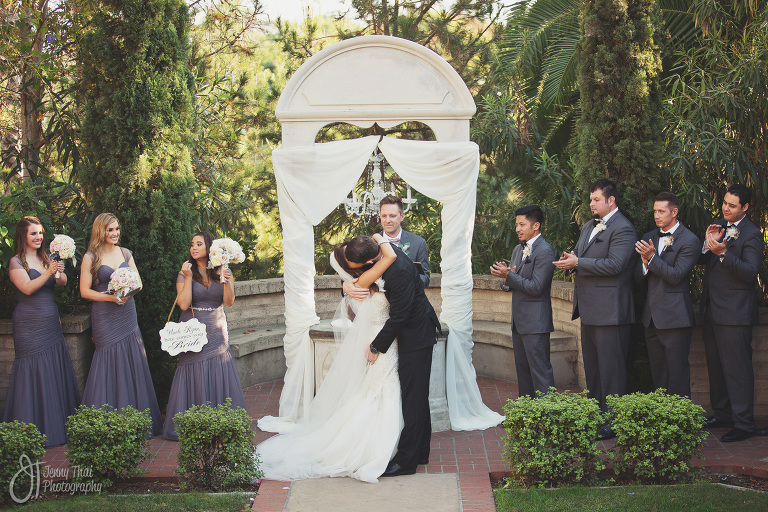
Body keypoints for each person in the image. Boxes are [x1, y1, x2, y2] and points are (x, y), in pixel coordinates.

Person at [257, 233, 398, 482]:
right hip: (381, 341)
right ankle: (372, 448)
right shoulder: (365, 280)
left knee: (377, 390)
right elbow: (391, 256)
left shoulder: (361, 281)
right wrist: (380, 238)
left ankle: (379, 442)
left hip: (385, 338)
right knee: (381, 390)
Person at [346, 234, 441, 477]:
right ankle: (421, 452)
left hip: (416, 335)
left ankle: (407, 462)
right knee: (417, 395)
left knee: (413, 397)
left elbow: (400, 316)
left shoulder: (396, 271)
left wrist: (376, 346)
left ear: (370, 262)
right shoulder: (384, 250)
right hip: (412, 331)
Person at [553, 178, 636, 440]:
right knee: (594, 368)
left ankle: (613, 421)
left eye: (596, 199)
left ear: (611, 201)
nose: (591, 203)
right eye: (591, 199)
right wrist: (570, 261)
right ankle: (597, 416)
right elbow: (580, 254)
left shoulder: (624, 229)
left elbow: (615, 265)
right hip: (588, 310)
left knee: (612, 369)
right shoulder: (589, 225)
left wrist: (580, 261)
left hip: (611, 312)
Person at [80, 213, 161, 436]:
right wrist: (110, 296)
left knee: (132, 357)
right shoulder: (91, 256)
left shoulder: (125, 253)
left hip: (127, 311)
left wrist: (126, 290)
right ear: (100, 231)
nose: (114, 233)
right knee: (108, 358)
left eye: (116, 229)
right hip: (105, 314)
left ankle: (135, 421)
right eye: (110, 230)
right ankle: (106, 421)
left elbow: (139, 283)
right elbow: (84, 291)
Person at [699, 184, 768, 442]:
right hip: (712, 309)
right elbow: (700, 258)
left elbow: (750, 272)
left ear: (745, 207)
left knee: (737, 370)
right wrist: (707, 245)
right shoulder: (718, 225)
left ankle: (744, 423)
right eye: (725, 203)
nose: (726, 209)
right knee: (716, 368)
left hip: (736, 314)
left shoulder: (752, 234)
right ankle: (723, 414)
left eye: (732, 205)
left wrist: (724, 253)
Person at [163, 232, 247, 441]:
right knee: (193, 370)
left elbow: (228, 302)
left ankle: (219, 420)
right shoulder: (184, 273)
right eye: (192, 244)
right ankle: (193, 421)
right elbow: (183, 304)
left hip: (217, 329)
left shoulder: (222, 271)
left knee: (218, 368)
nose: (194, 248)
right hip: (193, 332)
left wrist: (226, 280)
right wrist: (189, 277)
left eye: (199, 244)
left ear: (210, 248)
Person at [4, 216, 79, 447]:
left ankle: (55, 425)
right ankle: (30, 428)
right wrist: (48, 272)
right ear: (23, 236)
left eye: (40, 233)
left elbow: (62, 282)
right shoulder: (16, 262)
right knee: (32, 368)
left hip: (49, 320)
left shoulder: (47, 257)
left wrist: (58, 270)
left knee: (52, 367)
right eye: (33, 234)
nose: (38, 237)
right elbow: (26, 288)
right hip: (28, 323)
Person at [634, 192, 700, 398]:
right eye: (655, 211)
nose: (656, 215)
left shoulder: (690, 240)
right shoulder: (649, 237)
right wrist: (644, 265)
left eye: (661, 211)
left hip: (675, 318)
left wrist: (652, 258)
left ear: (674, 212)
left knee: (677, 373)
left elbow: (676, 276)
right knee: (659, 373)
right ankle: (662, 418)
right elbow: (637, 278)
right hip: (651, 318)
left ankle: (680, 421)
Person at [490, 205, 556, 398]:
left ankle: (547, 417)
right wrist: (505, 278)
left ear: (535, 225)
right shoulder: (518, 249)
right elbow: (510, 284)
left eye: (522, 224)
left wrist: (509, 276)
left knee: (541, 374)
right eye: (516, 224)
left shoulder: (545, 251)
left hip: (536, 323)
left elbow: (536, 287)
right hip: (519, 322)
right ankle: (526, 415)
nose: (517, 228)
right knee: (523, 372)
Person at [344, 195, 430, 300]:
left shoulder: (418, 243)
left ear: (402, 216)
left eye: (392, 216)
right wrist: (345, 286)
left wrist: (406, 278)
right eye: (384, 216)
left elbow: (425, 279)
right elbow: (352, 272)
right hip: (376, 305)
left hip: (406, 304)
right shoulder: (368, 243)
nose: (387, 220)